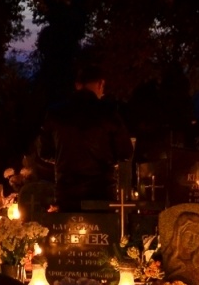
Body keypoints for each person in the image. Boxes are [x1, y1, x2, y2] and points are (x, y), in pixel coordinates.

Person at [37, 61, 132, 211]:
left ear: (77, 85)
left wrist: (65, 159)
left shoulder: (55, 113)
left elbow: (44, 152)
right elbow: (125, 152)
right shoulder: (109, 113)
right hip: (102, 191)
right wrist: (106, 160)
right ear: (101, 84)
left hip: (66, 191)